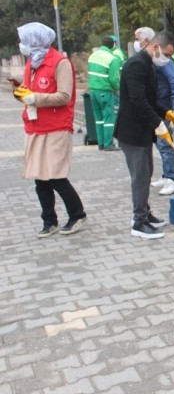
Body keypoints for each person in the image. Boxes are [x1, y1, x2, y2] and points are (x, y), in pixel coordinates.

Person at [13, 22, 87, 237]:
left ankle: (77, 214)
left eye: (25, 41)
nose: (22, 45)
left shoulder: (60, 63)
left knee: (55, 175)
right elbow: (32, 92)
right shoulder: (32, 64)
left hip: (56, 127)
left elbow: (64, 96)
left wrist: (35, 98)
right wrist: (21, 93)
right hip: (35, 126)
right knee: (39, 177)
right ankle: (49, 220)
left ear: (37, 41)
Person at [114, 30, 174, 239]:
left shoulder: (148, 64)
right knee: (140, 178)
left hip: (142, 131)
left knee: (147, 173)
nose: (167, 59)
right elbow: (137, 101)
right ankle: (139, 222)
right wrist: (157, 123)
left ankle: (145, 213)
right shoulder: (136, 65)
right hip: (132, 131)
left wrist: (166, 113)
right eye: (167, 55)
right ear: (156, 47)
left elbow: (150, 100)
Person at [134, 27, 174, 196]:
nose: (137, 43)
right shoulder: (153, 60)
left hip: (164, 107)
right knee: (160, 142)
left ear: (149, 41)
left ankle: (172, 179)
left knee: (165, 143)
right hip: (157, 106)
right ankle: (166, 175)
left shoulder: (164, 60)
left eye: (139, 39)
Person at [87, 35, 122, 151]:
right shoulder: (112, 59)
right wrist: (119, 90)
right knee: (108, 118)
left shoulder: (92, 56)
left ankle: (101, 143)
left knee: (99, 119)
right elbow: (113, 80)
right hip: (105, 92)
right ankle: (108, 144)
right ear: (113, 45)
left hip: (93, 92)